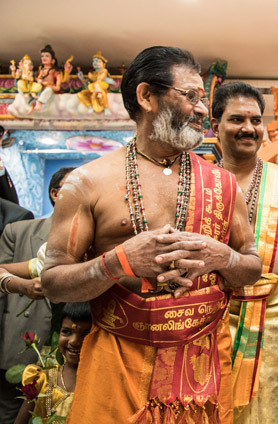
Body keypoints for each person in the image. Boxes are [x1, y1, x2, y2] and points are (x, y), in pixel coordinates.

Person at [41, 46, 262, 423]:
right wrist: (118, 262)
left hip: (200, 367)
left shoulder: (222, 185)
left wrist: (221, 257)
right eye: (190, 95)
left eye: (202, 98)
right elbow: (54, 284)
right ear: (146, 96)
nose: (201, 109)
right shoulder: (87, 183)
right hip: (118, 362)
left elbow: (252, 267)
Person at [210, 81, 278, 424]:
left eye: (256, 120)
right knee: (213, 405)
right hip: (213, 313)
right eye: (237, 120)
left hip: (273, 314)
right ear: (215, 127)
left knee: (272, 408)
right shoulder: (204, 181)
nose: (248, 128)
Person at [0, 167, 74, 424]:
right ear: (55, 193)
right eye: (72, 186)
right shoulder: (23, 232)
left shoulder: (102, 236)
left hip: (74, 349)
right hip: (25, 343)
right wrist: (22, 286)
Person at [13, 302, 91, 424]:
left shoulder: (101, 383)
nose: (74, 341)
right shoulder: (41, 379)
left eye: (85, 334)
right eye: (66, 332)